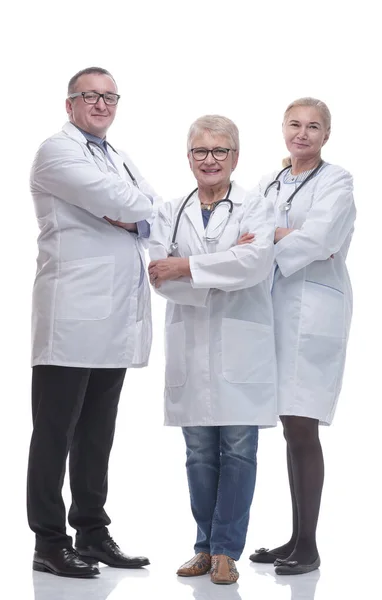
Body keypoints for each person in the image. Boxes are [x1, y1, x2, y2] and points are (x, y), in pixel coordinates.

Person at [27, 66, 160, 578]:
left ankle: (92, 530)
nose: (102, 104)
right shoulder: (55, 152)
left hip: (113, 320)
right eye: (91, 96)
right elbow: (122, 202)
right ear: (70, 104)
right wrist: (129, 211)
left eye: (110, 97)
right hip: (71, 316)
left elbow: (151, 209)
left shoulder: (118, 157)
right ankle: (49, 540)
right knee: (54, 432)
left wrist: (134, 215)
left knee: (98, 433)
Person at [148, 115, 277, 585]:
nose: (210, 160)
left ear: (235, 158)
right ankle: (203, 547)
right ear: (189, 158)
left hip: (243, 349)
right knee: (199, 455)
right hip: (191, 347)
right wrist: (210, 271)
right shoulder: (170, 210)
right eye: (201, 151)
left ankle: (226, 550)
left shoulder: (256, 208)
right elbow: (158, 276)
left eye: (220, 151)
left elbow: (256, 263)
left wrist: (186, 266)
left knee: (239, 453)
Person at [248, 97, 356, 575]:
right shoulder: (271, 181)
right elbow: (244, 228)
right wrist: (279, 233)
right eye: (295, 124)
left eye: (314, 127)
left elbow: (321, 240)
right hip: (275, 309)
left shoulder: (337, 181)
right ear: (283, 130)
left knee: (303, 426)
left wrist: (273, 236)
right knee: (291, 429)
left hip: (313, 312)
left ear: (326, 135)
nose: (303, 133)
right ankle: (295, 538)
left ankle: (308, 546)